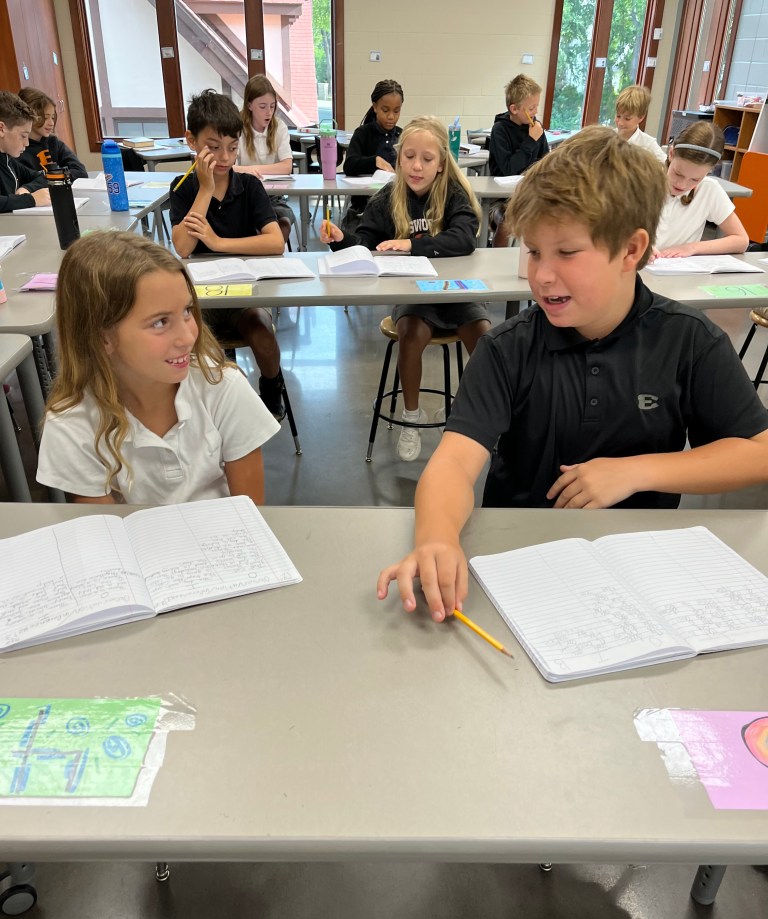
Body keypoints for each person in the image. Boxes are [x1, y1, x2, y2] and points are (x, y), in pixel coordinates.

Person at [376, 126, 768, 619]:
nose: (541, 274)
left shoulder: (688, 340)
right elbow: (454, 463)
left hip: (642, 572)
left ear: (631, 250)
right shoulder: (506, 349)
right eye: (534, 251)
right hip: (519, 565)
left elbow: (758, 452)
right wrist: (436, 537)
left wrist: (636, 471)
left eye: (566, 253)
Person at [36, 231, 279, 505]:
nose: (188, 337)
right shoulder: (71, 423)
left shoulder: (222, 387)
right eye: (160, 322)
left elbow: (249, 513)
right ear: (101, 337)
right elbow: (103, 526)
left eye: (187, 311)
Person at [321, 115, 491, 462]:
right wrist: (340, 240)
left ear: (441, 163)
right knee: (411, 337)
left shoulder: (454, 193)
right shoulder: (388, 196)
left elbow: (464, 239)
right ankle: (411, 416)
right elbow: (366, 245)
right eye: (409, 157)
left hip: (454, 291)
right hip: (413, 294)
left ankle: (469, 413)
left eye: (427, 159)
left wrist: (411, 245)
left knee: (484, 337)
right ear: (399, 159)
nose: (416, 166)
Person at [170, 89, 287, 419]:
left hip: (243, 296)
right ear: (191, 141)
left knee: (263, 336)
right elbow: (183, 247)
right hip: (200, 300)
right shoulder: (183, 187)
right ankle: (214, 406)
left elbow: (275, 242)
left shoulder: (248, 186)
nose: (224, 157)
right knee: (198, 351)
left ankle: (271, 388)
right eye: (213, 147)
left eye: (233, 148)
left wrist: (219, 243)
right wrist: (205, 189)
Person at [655, 122, 749, 257]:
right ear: (671, 153)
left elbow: (741, 240)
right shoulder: (642, 181)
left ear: (711, 170)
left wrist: (693, 247)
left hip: (675, 269)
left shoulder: (708, 189)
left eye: (695, 179)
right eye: (678, 174)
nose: (682, 185)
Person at [488, 74, 549, 248]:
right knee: (507, 220)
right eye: (531, 108)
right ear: (514, 109)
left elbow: (545, 162)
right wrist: (531, 141)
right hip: (502, 197)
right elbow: (509, 169)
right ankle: (497, 257)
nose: (535, 112)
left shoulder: (535, 128)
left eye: (536, 107)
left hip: (530, 192)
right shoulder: (500, 130)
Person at [236, 75, 294, 244]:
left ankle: (272, 252)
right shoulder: (236, 127)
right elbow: (229, 167)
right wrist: (250, 172)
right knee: (249, 223)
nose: (269, 112)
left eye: (272, 106)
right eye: (262, 107)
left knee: (283, 221)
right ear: (249, 105)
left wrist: (253, 170)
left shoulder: (279, 126)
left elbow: (287, 166)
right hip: (244, 196)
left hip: (274, 197)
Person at [341, 79, 404, 231]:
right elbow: (349, 165)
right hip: (365, 205)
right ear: (375, 107)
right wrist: (374, 161)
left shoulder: (403, 135)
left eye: (396, 111)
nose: (391, 116)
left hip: (397, 205)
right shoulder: (363, 133)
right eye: (385, 110)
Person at [17, 87, 87, 179]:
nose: (51, 123)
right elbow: (30, 182)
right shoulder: (18, 150)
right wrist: (62, 175)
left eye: (53, 117)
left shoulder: (53, 142)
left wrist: (53, 178)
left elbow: (80, 172)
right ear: (30, 117)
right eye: (46, 118)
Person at [0, 90, 49, 212]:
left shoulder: (8, 161)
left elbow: (45, 177)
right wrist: (31, 199)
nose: (27, 143)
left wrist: (27, 189)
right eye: (23, 136)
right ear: (1, 129)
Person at [614, 84, 665, 160]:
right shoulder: (607, 137)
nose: (620, 123)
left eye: (627, 119)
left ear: (641, 117)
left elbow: (666, 164)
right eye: (618, 116)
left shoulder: (649, 144)